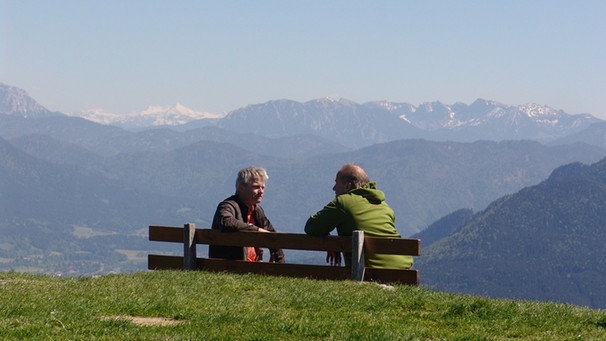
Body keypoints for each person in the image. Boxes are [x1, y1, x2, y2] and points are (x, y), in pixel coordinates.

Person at [304, 163, 413, 269]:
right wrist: (333, 243)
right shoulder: (384, 206)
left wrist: (330, 242)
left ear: (347, 186)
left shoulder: (343, 202)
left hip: (370, 272)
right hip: (404, 268)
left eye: (337, 183)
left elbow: (311, 227)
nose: (334, 188)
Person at [209, 166, 285, 263]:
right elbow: (227, 222)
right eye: (256, 187)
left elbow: (272, 235)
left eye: (263, 187)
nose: (261, 191)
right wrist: (256, 230)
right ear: (241, 187)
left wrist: (280, 264)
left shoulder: (256, 210)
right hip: (230, 267)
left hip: (253, 267)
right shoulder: (228, 206)